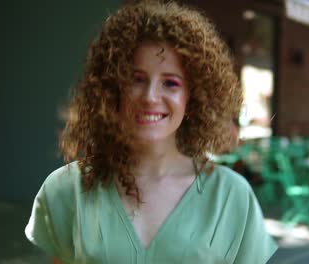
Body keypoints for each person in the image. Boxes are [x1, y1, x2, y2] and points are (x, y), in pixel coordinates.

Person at [25, 1, 278, 263]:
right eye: (136, 79)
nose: (150, 97)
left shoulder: (230, 196)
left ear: (192, 99)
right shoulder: (67, 189)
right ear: (114, 90)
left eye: (170, 83)